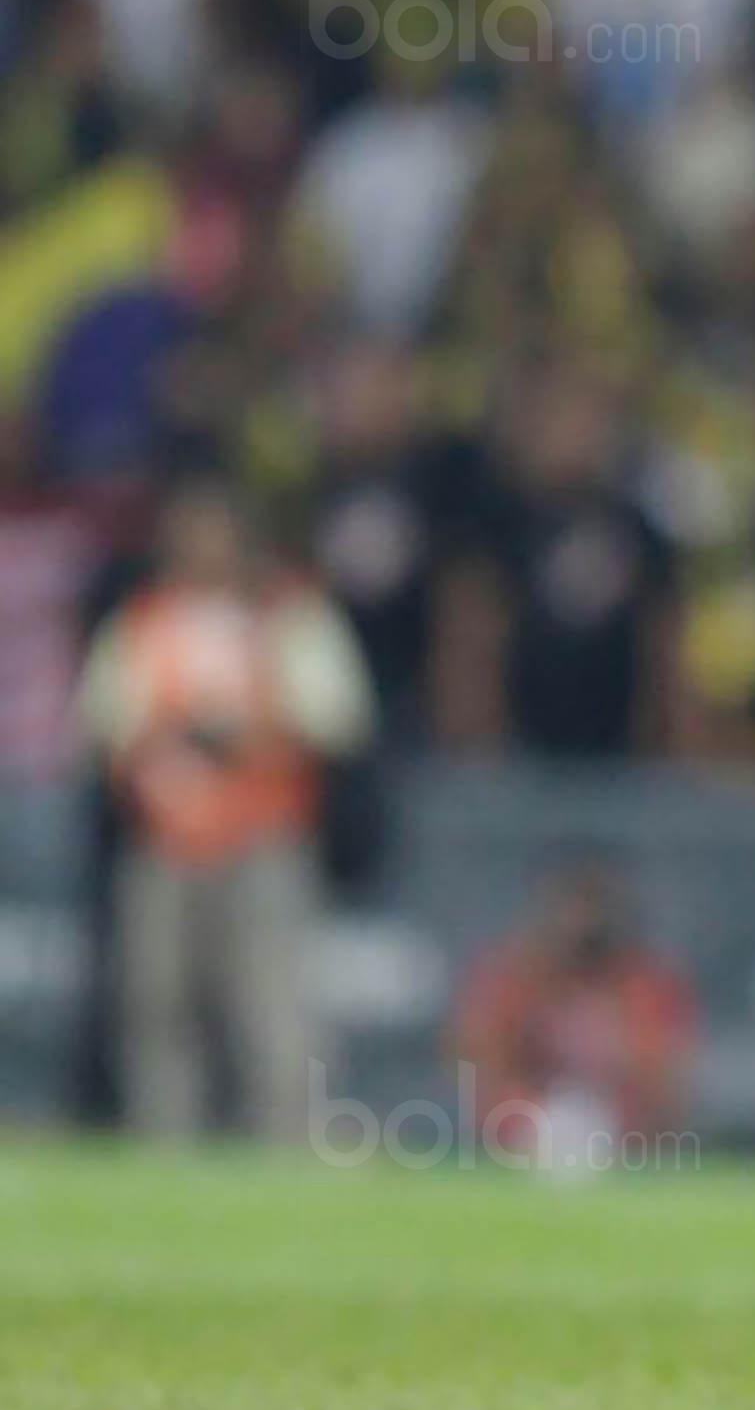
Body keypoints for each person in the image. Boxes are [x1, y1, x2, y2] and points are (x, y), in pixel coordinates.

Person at [73, 473, 376, 1143]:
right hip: (166, 839)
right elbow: (102, 722)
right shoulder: (145, 619)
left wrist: (248, 737)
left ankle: (291, 1142)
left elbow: (338, 717)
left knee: (274, 1003)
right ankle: (166, 1141)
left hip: (264, 837)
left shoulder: (290, 616)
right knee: (159, 1006)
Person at [445, 856, 697, 1176]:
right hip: (529, 1120)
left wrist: (625, 1120)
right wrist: (520, 1115)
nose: (582, 924)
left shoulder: (644, 985)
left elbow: (665, 1078)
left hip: (621, 1130)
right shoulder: (515, 977)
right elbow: (480, 1062)